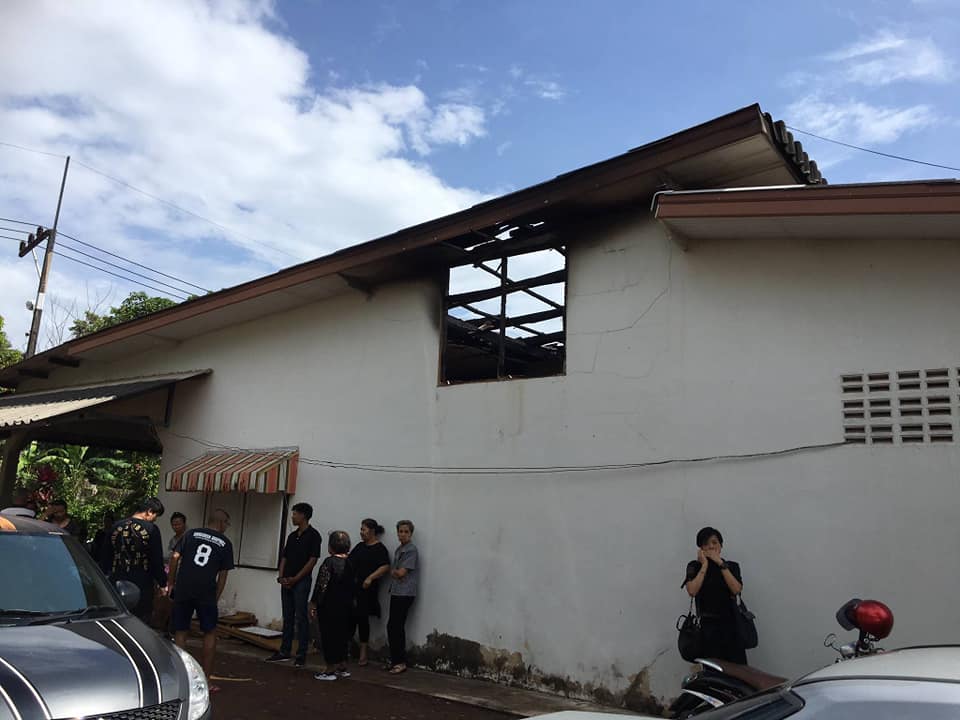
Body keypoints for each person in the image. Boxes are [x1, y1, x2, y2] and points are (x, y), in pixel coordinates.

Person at [169, 509, 234, 691]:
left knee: (181, 631)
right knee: (210, 632)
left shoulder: (190, 534)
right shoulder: (225, 543)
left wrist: (171, 583)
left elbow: (174, 558)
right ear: (221, 523)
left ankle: (181, 678)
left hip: (184, 587)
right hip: (206, 591)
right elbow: (223, 575)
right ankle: (206, 680)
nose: (226, 527)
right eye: (227, 524)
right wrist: (216, 596)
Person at [265, 502, 322, 668]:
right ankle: (284, 650)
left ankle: (301, 653)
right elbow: (285, 557)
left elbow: (312, 560)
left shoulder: (314, 536)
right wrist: (281, 576)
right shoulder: (292, 536)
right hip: (287, 581)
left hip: (301, 582)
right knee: (287, 616)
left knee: (301, 617)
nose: (292, 517)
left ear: (303, 515)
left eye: (295, 514)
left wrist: (296, 578)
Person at [683, 526, 746, 664]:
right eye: (706, 544)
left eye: (714, 542)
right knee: (714, 670)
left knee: (738, 669)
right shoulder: (694, 566)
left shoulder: (732, 566)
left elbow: (736, 589)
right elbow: (692, 591)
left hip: (732, 626)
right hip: (707, 629)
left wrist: (720, 563)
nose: (711, 546)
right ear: (701, 548)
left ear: (721, 545)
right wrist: (704, 565)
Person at [102, 497, 168, 624]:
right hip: (141, 582)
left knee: (117, 619)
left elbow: (106, 556)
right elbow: (156, 559)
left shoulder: (116, 526)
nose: (154, 519)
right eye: (155, 516)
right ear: (149, 511)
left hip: (117, 579)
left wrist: (105, 578)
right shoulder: (151, 529)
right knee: (140, 621)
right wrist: (162, 583)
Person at [310, 530, 356, 681]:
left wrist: (313, 603)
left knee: (328, 636)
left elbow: (321, 585)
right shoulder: (351, 562)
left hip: (329, 606)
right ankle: (342, 666)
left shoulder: (329, 563)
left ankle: (329, 669)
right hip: (348, 606)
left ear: (331, 547)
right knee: (343, 636)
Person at [348, 518, 390, 667]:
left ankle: (363, 651)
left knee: (362, 619)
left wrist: (370, 578)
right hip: (354, 588)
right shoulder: (360, 547)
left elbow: (385, 566)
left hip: (367, 590)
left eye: (363, 529)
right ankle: (346, 648)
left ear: (372, 531)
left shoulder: (380, 548)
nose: (361, 532)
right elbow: (349, 562)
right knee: (350, 617)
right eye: (361, 529)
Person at [386, 520, 418, 674]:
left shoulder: (411, 550)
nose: (403, 534)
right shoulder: (400, 549)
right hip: (397, 591)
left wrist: (393, 571)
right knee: (392, 626)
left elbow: (400, 573)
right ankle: (395, 660)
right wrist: (394, 572)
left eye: (406, 532)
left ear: (411, 534)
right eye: (400, 531)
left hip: (405, 593)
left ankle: (400, 662)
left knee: (396, 626)